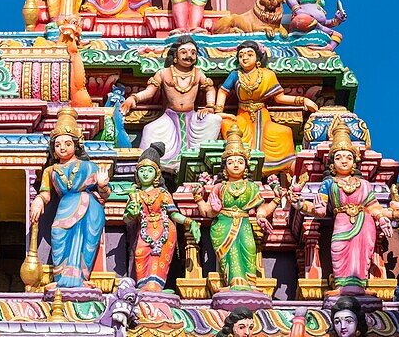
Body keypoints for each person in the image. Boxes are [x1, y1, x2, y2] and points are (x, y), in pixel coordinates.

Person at [294, 119, 395, 296]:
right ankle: (341, 285)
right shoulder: (328, 184)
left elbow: (374, 207)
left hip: (364, 223)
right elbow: (320, 210)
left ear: (354, 162)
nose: (344, 161)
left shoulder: (364, 184)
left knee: (362, 254)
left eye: (348, 157)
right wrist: (301, 204)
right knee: (339, 249)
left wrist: (384, 218)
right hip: (341, 221)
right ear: (332, 162)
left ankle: (360, 285)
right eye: (339, 157)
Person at [192, 127, 282, 293]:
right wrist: (199, 199)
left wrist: (275, 201)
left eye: (240, 162)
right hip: (223, 226)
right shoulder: (219, 187)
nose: (236, 165)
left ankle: (249, 284)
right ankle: (235, 282)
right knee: (231, 252)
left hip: (245, 224)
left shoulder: (251, 187)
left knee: (249, 249)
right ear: (225, 167)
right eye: (231, 162)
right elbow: (208, 212)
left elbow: (261, 210)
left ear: (246, 167)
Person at [29, 107, 109, 288]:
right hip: (65, 206)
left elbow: (106, 194)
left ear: (76, 145)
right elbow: (46, 193)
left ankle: (81, 278)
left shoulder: (89, 166)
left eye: (67, 143)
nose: (62, 148)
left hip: (88, 206)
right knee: (58, 233)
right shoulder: (50, 171)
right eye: (57, 145)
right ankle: (61, 279)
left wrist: (103, 186)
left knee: (86, 240)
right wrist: (39, 200)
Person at [215, 41, 317, 176]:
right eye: (241, 55)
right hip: (243, 116)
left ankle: (286, 168)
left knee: (283, 132)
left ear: (257, 58)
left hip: (262, 116)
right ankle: (238, 164)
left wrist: (303, 100)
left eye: (249, 54)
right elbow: (223, 91)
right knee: (227, 125)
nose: (245, 58)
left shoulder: (267, 74)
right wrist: (218, 112)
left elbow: (279, 98)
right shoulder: (235, 75)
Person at [121, 40, 223, 173]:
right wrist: (133, 98)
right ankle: (149, 164)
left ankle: (197, 156)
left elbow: (210, 89)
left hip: (192, 118)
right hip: (169, 117)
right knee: (149, 130)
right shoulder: (164, 73)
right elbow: (149, 92)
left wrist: (210, 106)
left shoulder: (198, 73)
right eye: (184, 52)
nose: (189, 56)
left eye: (193, 53)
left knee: (215, 120)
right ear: (175, 56)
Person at [125, 143, 199, 292]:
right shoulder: (135, 194)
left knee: (158, 257)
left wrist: (189, 222)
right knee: (140, 253)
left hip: (163, 230)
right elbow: (126, 218)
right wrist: (132, 214)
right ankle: (142, 286)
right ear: (137, 173)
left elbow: (174, 214)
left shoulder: (163, 194)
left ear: (157, 174)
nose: (145, 174)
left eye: (150, 171)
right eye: (142, 170)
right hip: (144, 231)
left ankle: (155, 286)